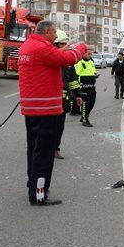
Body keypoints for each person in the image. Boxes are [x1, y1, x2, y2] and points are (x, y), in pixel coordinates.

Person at [18, 20, 86, 205]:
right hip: (45, 110)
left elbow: (52, 56)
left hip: (32, 109)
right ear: (46, 32)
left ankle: (33, 184)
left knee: (34, 149)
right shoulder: (41, 48)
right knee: (44, 154)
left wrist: (65, 49)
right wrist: (80, 48)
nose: (56, 36)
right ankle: (39, 194)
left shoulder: (28, 46)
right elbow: (68, 59)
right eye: (54, 32)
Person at [53, 30, 83, 160]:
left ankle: (55, 148)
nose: (66, 47)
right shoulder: (51, 61)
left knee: (60, 127)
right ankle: (44, 148)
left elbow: (73, 80)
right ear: (55, 45)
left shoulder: (68, 63)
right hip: (49, 102)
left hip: (63, 102)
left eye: (67, 44)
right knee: (47, 127)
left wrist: (78, 95)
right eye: (63, 44)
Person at [75, 50, 98, 127]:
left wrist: (95, 74)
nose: (90, 55)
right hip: (84, 87)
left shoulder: (91, 62)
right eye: (88, 54)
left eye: (91, 54)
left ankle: (84, 115)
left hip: (92, 86)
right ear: (83, 54)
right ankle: (85, 119)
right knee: (86, 103)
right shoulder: (80, 62)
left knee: (92, 103)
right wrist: (78, 86)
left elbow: (94, 71)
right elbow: (77, 75)